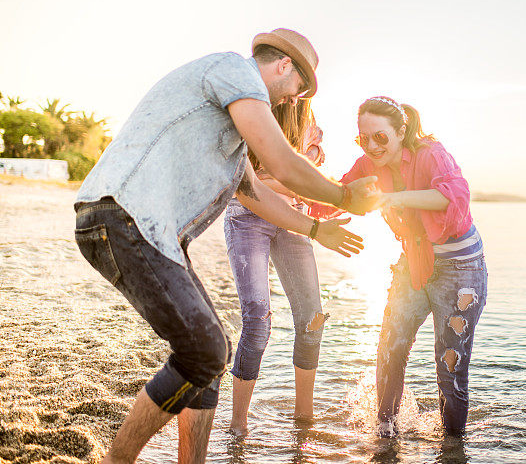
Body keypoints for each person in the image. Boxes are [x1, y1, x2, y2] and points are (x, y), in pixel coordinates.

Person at [73, 28, 379, 463]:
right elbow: (281, 161)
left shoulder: (233, 126)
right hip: (122, 215)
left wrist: (313, 229)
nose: (296, 99)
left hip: (142, 230)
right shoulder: (234, 71)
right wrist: (344, 197)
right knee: (204, 350)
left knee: (213, 358)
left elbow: (254, 193)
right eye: (299, 87)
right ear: (283, 65)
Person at [312, 96, 488, 437]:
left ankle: (452, 448)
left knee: (448, 364)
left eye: (381, 137)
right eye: (364, 139)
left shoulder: (430, 153)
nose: (373, 146)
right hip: (413, 264)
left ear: (401, 131)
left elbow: (454, 198)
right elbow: (338, 195)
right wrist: (293, 190)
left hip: (460, 269)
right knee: (390, 350)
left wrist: (394, 198)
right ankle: (385, 435)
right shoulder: (367, 164)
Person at [224, 98, 327, 435]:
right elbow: (241, 183)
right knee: (257, 321)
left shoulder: (309, 123)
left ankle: (304, 421)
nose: (296, 95)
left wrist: (281, 177)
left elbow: (309, 178)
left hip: (293, 220)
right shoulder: (254, 113)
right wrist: (297, 178)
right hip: (247, 218)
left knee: (312, 321)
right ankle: (238, 426)